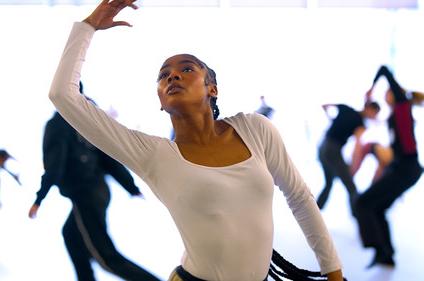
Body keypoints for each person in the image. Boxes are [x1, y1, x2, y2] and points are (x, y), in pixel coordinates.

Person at [46, 1, 345, 280]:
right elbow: (62, 95)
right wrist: (88, 26)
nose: (173, 76)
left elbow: (300, 198)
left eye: (186, 69)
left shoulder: (255, 128)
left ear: (211, 88)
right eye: (164, 75)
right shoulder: (153, 154)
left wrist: (333, 272)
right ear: (160, 100)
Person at [28, 82, 161, 281]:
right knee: (71, 236)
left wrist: (39, 200)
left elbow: (54, 166)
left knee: (107, 258)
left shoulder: (59, 124)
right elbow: (108, 157)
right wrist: (130, 186)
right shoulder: (87, 116)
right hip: (99, 191)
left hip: (85, 195)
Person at [354, 65, 424, 268]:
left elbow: (384, 69)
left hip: (407, 170)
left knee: (363, 203)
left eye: (387, 92)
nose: (384, 95)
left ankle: (379, 250)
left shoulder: (403, 106)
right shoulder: (395, 115)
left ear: (394, 94)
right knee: (377, 208)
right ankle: (386, 254)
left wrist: (372, 86)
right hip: (401, 168)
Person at [315, 102, 380, 212]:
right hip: (332, 150)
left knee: (328, 183)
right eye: (375, 113)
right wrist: (354, 165)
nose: (374, 117)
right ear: (369, 109)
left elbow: (325, 106)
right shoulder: (360, 124)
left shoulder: (346, 108)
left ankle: (314, 211)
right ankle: (359, 215)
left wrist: (332, 120)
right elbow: (357, 146)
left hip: (323, 147)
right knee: (351, 186)